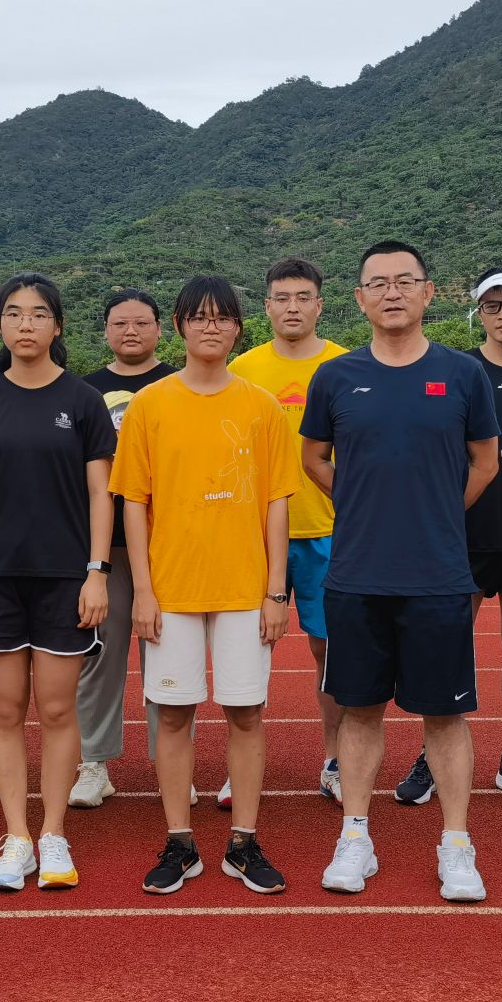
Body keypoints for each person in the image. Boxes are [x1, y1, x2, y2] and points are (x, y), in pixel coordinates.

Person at [301, 241, 500, 902]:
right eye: (378, 283)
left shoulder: (462, 374)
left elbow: (486, 461)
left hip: (438, 575)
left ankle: (457, 844)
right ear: (360, 298)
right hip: (357, 573)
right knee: (359, 710)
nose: (392, 292)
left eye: (404, 281)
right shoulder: (335, 376)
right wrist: (360, 503)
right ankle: (355, 836)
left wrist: (439, 509)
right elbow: (313, 458)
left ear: (428, 292)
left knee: (445, 714)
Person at [114, 277, 296, 894]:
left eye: (222, 317)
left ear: (239, 328)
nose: (211, 326)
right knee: (173, 715)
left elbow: (276, 502)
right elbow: (133, 502)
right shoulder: (150, 405)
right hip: (172, 590)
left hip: (245, 589)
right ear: (180, 326)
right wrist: (143, 590)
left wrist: (276, 592)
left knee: (246, 713)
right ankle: (180, 841)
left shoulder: (261, 406)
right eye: (199, 316)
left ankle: (243, 842)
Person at [0, 273, 117, 891]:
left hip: (65, 577)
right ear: (0, 324)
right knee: (4, 710)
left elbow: (101, 494)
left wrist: (96, 572)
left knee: (56, 708)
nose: (26, 324)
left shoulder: (85, 401)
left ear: (57, 325)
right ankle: (17, 836)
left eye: (39, 313)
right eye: (15, 313)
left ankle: (53, 833)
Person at [395, 267, 502, 810]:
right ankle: (433, 751)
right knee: (446, 643)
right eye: (492, 306)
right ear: (479, 313)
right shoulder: (457, 370)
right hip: (461, 529)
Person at [230, 257, 349, 803]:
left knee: (331, 653)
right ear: (267, 306)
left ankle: (336, 759)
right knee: (249, 655)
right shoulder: (243, 369)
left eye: (303, 297)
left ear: (320, 305)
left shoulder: (346, 365)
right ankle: (241, 764)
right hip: (256, 537)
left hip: (331, 532)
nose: (293, 307)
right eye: (282, 297)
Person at [72, 288, 179, 809]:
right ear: (106, 331)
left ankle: (172, 765)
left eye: (141, 323)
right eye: (120, 323)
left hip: (171, 546)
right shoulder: (83, 392)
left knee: (169, 658)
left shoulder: (181, 384)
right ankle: (94, 763)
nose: (130, 331)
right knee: (99, 657)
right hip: (105, 547)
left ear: (160, 329)